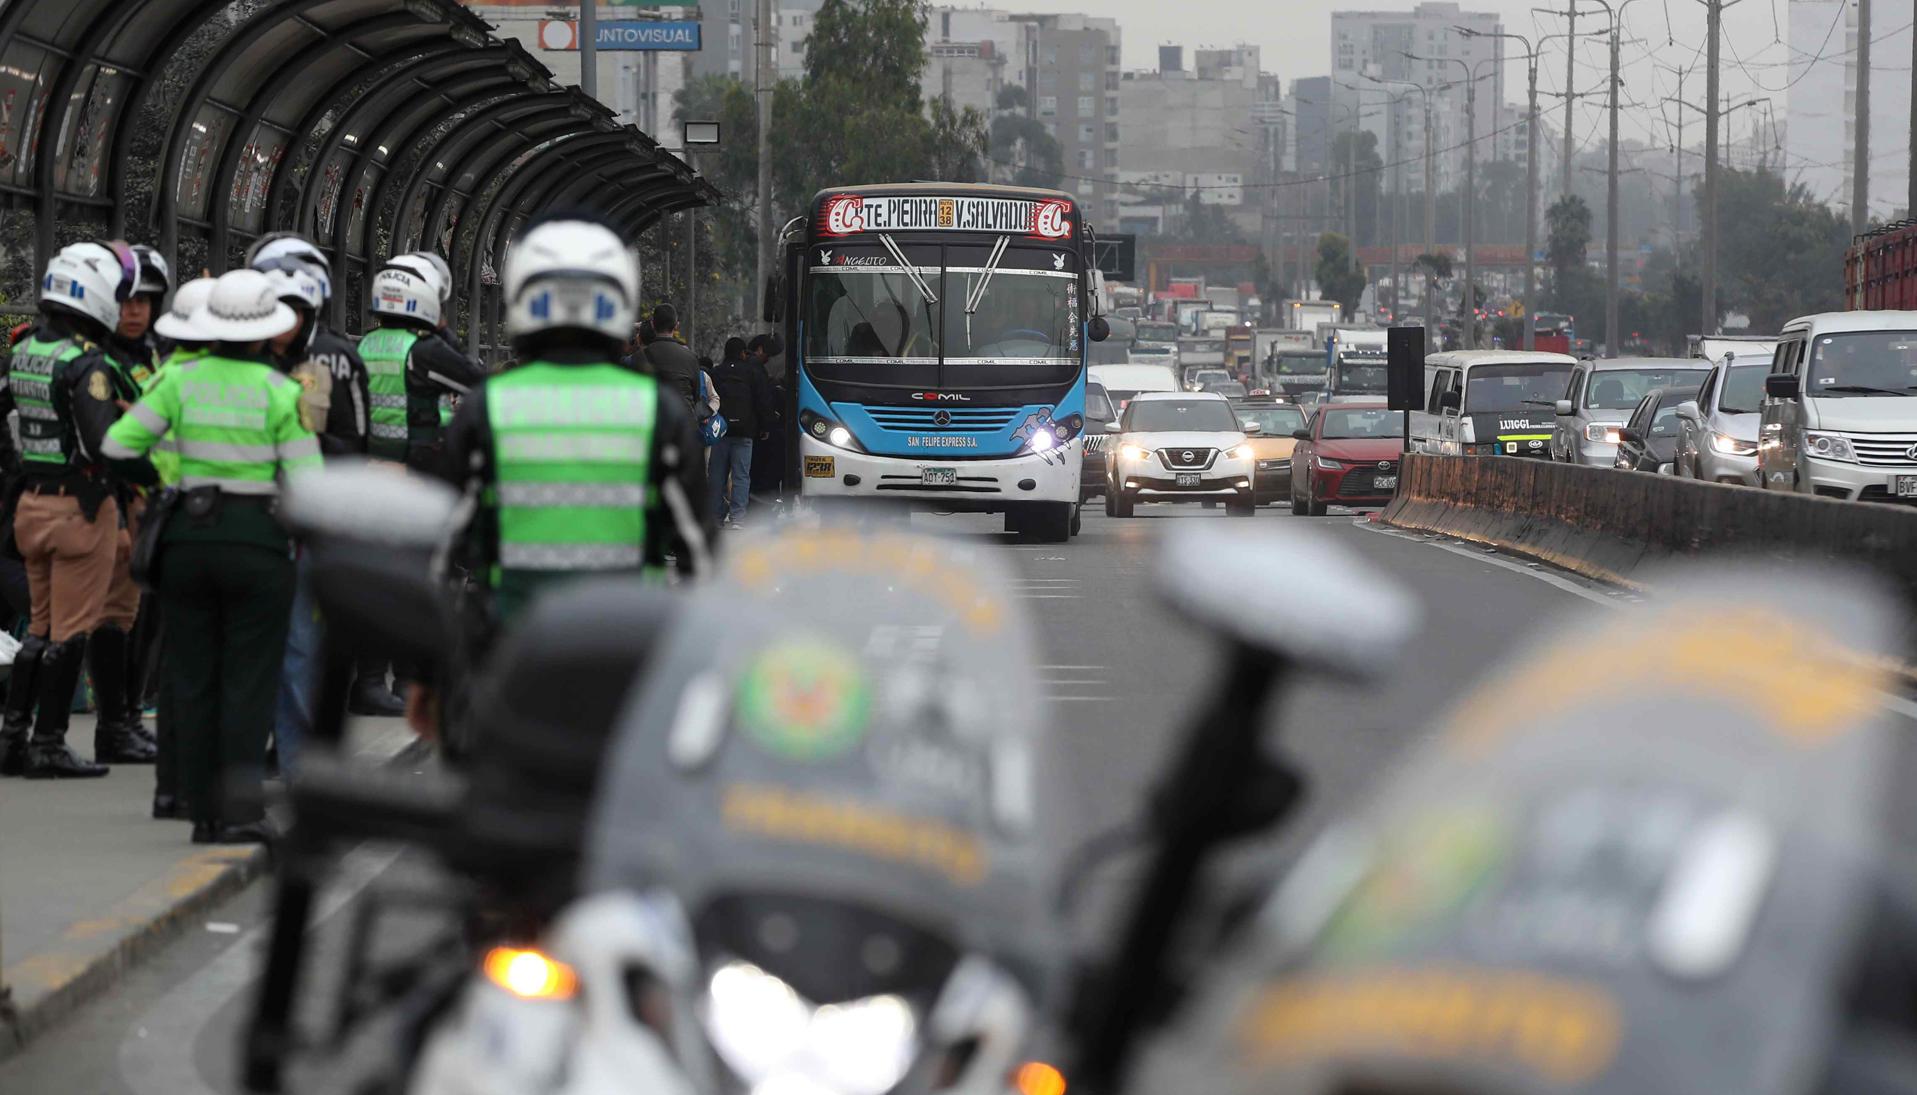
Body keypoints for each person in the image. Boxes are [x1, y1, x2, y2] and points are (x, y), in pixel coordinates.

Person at [103, 268, 321, 844]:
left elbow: (114, 445)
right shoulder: (284, 392)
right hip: (258, 541)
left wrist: (160, 482)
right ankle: (239, 809)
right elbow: (308, 481)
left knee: (193, 675)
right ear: (263, 332)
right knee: (248, 679)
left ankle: (199, 810)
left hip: (186, 538)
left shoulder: (181, 381)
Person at [437, 211, 709, 626]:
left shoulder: (489, 405)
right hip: (626, 649)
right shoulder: (656, 410)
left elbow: (445, 542)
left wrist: (425, 672)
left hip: (510, 649)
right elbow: (699, 551)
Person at [0, 241, 154, 778]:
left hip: (31, 506)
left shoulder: (24, 352)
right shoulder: (86, 364)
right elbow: (103, 443)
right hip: (79, 509)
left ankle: (13, 738)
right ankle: (48, 741)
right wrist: (156, 474)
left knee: (39, 627)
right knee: (70, 630)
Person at [87, 244, 175, 769]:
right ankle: (114, 721)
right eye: (125, 299)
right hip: (119, 500)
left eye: (145, 299)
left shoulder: (158, 354)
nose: (135, 310)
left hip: (156, 500)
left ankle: (130, 716)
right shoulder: (100, 359)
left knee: (147, 615)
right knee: (118, 617)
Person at [142, 277, 216, 819]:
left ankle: (170, 786)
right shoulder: (251, 381)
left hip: (166, 519)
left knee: (176, 662)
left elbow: (122, 442)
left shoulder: (164, 377)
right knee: (226, 664)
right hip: (232, 526)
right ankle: (210, 783)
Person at [259, 263, 333, 779]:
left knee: (299, 649)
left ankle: (295, 761)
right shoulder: (242, 370)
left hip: (295, 523)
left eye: (294, 312)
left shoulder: (318, 370)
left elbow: (320, 443)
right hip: (247, 523)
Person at [707, 335, 777, 529]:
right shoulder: (752, 372)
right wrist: (765, 426)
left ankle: (716, 516)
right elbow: (761, 401)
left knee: (717, 475)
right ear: (742, 353)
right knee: (741, 475)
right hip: (745, 432)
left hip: (720, 432)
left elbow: (708, 401)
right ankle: (738, 517)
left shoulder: (716, 373)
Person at [642, 303, 701, 409]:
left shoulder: (639, 357)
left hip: (652, 419)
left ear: (652, 324)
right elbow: (696, 395)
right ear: (676, 326)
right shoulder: (691, 357)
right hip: (685, 420)